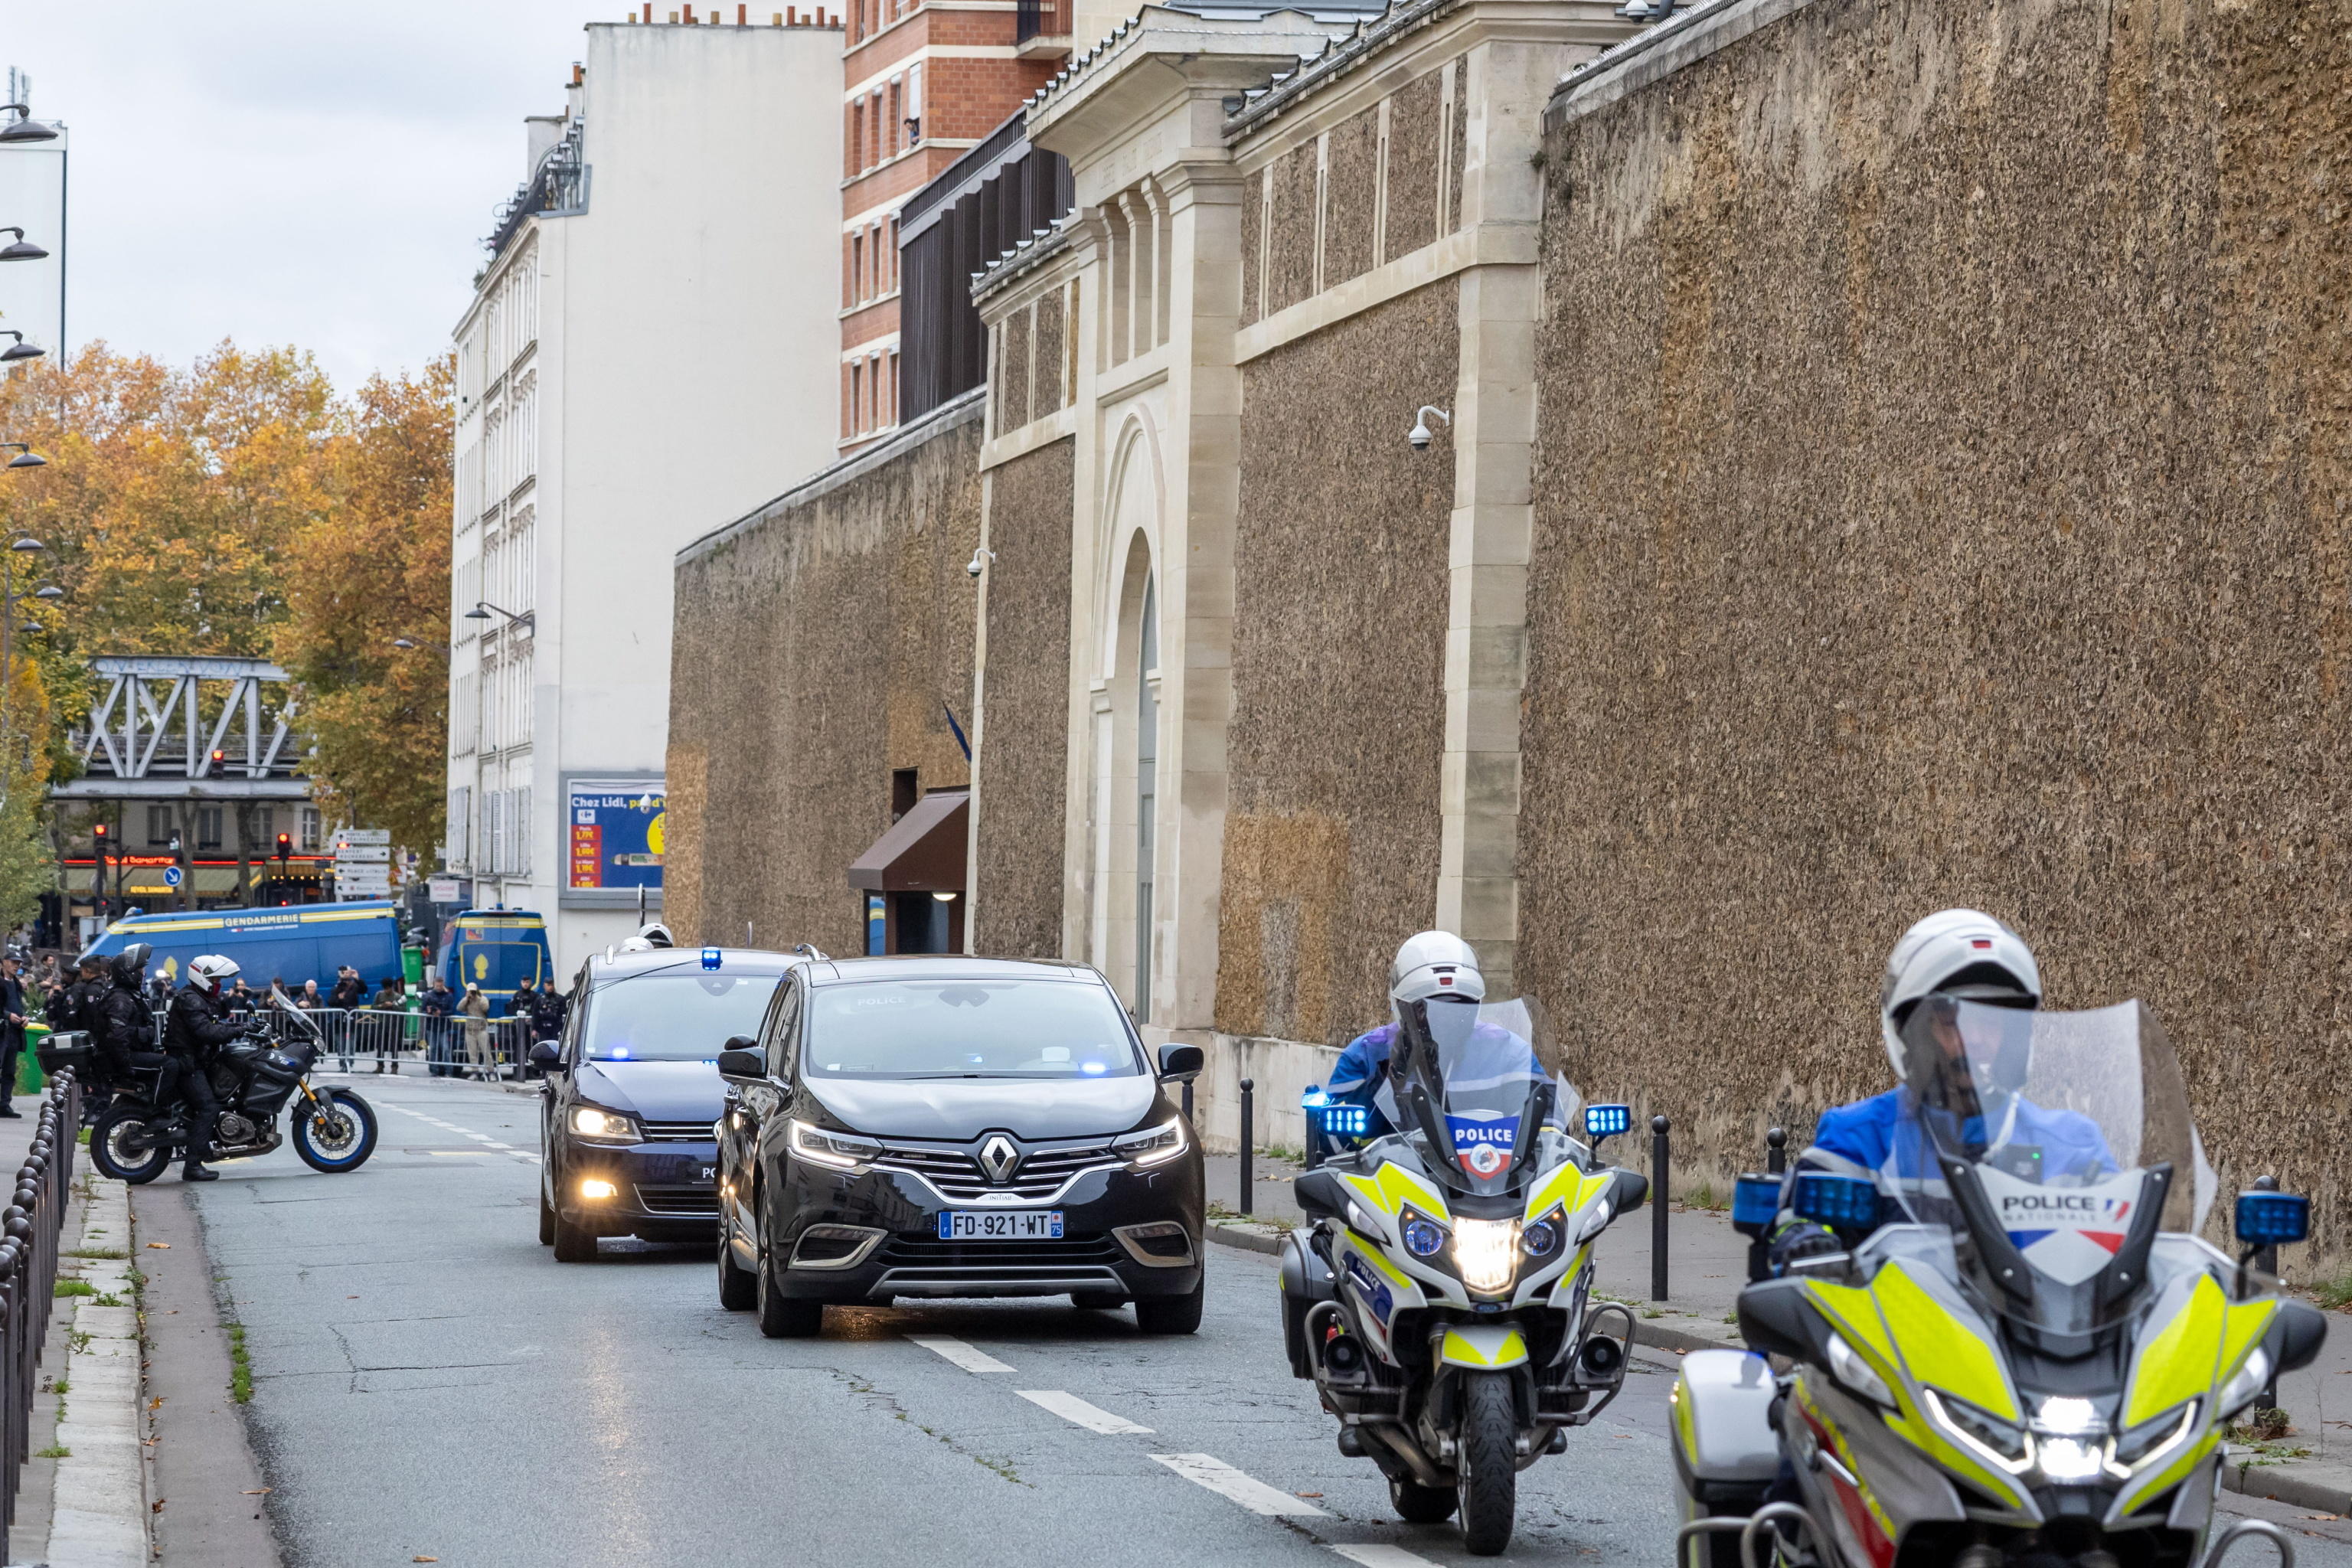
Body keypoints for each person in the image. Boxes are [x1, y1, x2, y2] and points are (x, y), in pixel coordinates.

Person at [1767, 908, 2114, 1270]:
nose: (1975, 1039)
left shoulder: (2072, 1146)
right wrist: (1806, 1243)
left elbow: (2128, 1242)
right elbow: (1797, 1220)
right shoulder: (1861, 1138)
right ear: (1916, 1035)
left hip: (2036, 1325)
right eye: (1953, 1022)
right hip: (1895, 1325)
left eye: (1991, 1023)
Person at [1324, 932, 1544, 1146]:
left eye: (1459, 1006)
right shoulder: (1366, 1055)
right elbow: (1333, 1145)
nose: (1445, 1018)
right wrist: (1385, 1080)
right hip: (1396, 1181)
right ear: (1402, 1005)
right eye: (1427, 1007)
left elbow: (1550, 1128)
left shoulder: (1508, 1052)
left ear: (1476, 1005)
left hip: (1491, 1178)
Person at [165, 955, 251, 1183]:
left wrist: (243, 1026)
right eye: (215, 979)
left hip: (195, 1060)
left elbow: (215, 1024)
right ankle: (192, 1165)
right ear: (201, 976)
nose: (218, 984)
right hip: (187, 1064)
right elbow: (207, 1032)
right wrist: (241, 1029)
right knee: (208, 1108)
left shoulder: (198, 997)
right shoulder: (190, 999)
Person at [0, 954, 26, 1119]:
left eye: (18, 964)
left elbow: (18, 1005)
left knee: (9, 1070)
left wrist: (24, 1018)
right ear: (3, 963)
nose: (16, 966)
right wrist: (8, 1015)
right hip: (3, 1030)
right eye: (13, 963)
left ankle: (4, 1104)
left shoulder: (16, 984)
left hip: (15, 1031)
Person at [420, 975, 456, 1077]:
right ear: (434, 985)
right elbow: (423, 1010)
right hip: (431, 1026)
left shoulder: (448, 996)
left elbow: (451, 1011)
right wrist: (429, 1012)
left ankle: (449, 1071)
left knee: (445, 1048)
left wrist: (441, 1013)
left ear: (443, 985)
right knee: (433, 1049)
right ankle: (433, 1070)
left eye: (440, 986)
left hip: (444, 1027)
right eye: (437, 986)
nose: (439, 988)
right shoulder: (428, 996)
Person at [459, 982, 493, 1080]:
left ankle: (491, 1071)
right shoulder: (467, 1000)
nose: (472, 993)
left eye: (473, 991)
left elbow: (486, 1007)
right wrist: (466, 999)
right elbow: (459, 1008)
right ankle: (475, 1071)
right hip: (470, 1030)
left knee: (486, 1052)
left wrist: (478, 998)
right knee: (472, 1053)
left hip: (481, 1029)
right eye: (470, 991)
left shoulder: (482, 999)